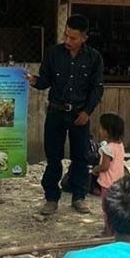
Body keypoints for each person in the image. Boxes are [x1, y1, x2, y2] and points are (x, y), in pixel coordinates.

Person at [25, 14, 104, 216]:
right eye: (66, 35)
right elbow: (45, 81)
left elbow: (97, 89)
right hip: (56, 113)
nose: (68, 41)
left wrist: (87, 112)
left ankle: (79, 197)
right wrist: (32, 80)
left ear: (85, 37)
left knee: (81, 158)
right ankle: (51, 198)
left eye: (73, 38)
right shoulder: (53, 53)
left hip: (80, 115)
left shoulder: (94, 58)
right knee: (53, 157)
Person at [91, 112, 126, 196]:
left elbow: (105, 167)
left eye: (101, 128)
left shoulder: (107, 149)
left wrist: (96, 169)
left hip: (108, 182)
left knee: (106, 203)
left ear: (108, 131)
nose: (99, 130)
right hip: (119, 181)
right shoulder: (120, 145)